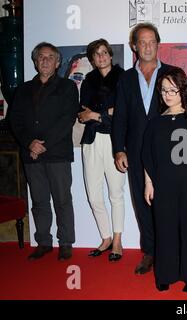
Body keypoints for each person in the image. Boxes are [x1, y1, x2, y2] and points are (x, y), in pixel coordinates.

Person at [142, 66, 187, 293]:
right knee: (165, 230)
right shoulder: (154, 123)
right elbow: (147, 156)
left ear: (183, 90)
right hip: (163, 186)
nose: (167, 95)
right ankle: (165, 274)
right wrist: (148, 183)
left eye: (172, 90)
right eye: (163, 91)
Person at [8, 42, 79, 261]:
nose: (45, 60)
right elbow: (15, 120)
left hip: (57, 153)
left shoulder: (67, 87)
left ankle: (65, 243)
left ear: (58, 63)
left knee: (62, 200)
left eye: (50, 57)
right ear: (35, 61)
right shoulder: (23, 89)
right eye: (41, 57)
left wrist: (43, 144)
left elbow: (67, 119)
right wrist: (30, 143)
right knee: (38, 201)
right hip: (31, 155)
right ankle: (43, 242)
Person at [112, 23, 172, 274]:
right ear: (134, 46)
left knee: (168, 202)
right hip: (136, 152)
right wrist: (119, 149)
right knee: (143, 201)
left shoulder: (173, 73)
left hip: (168, 152)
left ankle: (169, 251)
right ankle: (150, 251)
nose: (147, 46)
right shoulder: (125, 78)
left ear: (158, 44)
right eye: (142, 42)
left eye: (152, 41)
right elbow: (121, 118)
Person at [78, 39, 126, 261]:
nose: (101, 57)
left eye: (104, 52)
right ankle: (105, 237)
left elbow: (124, 110)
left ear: (110, 55)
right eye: (96, 54)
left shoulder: (124, 77)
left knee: (116, 194)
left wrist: (97, 114)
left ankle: (117, 240)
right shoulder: (88, 80)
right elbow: (82, 111)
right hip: (91, 140)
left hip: (115, 140)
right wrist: (105, 112)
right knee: (94, 195)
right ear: (92, 59)